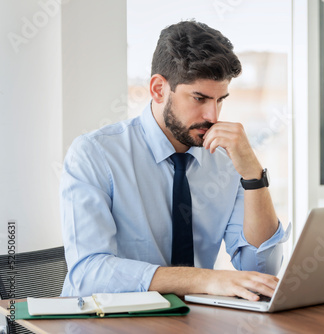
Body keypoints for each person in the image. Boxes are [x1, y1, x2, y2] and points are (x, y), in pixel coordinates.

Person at [60, 20, 288, 301]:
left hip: (191, 322)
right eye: (199, 98)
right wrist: (205, 279)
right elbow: (88, 275)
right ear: (158, 89)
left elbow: (260, 270)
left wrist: (254, 176)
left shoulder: (227, 160)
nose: (213, 116)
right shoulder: (95, 154)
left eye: (220, 100)